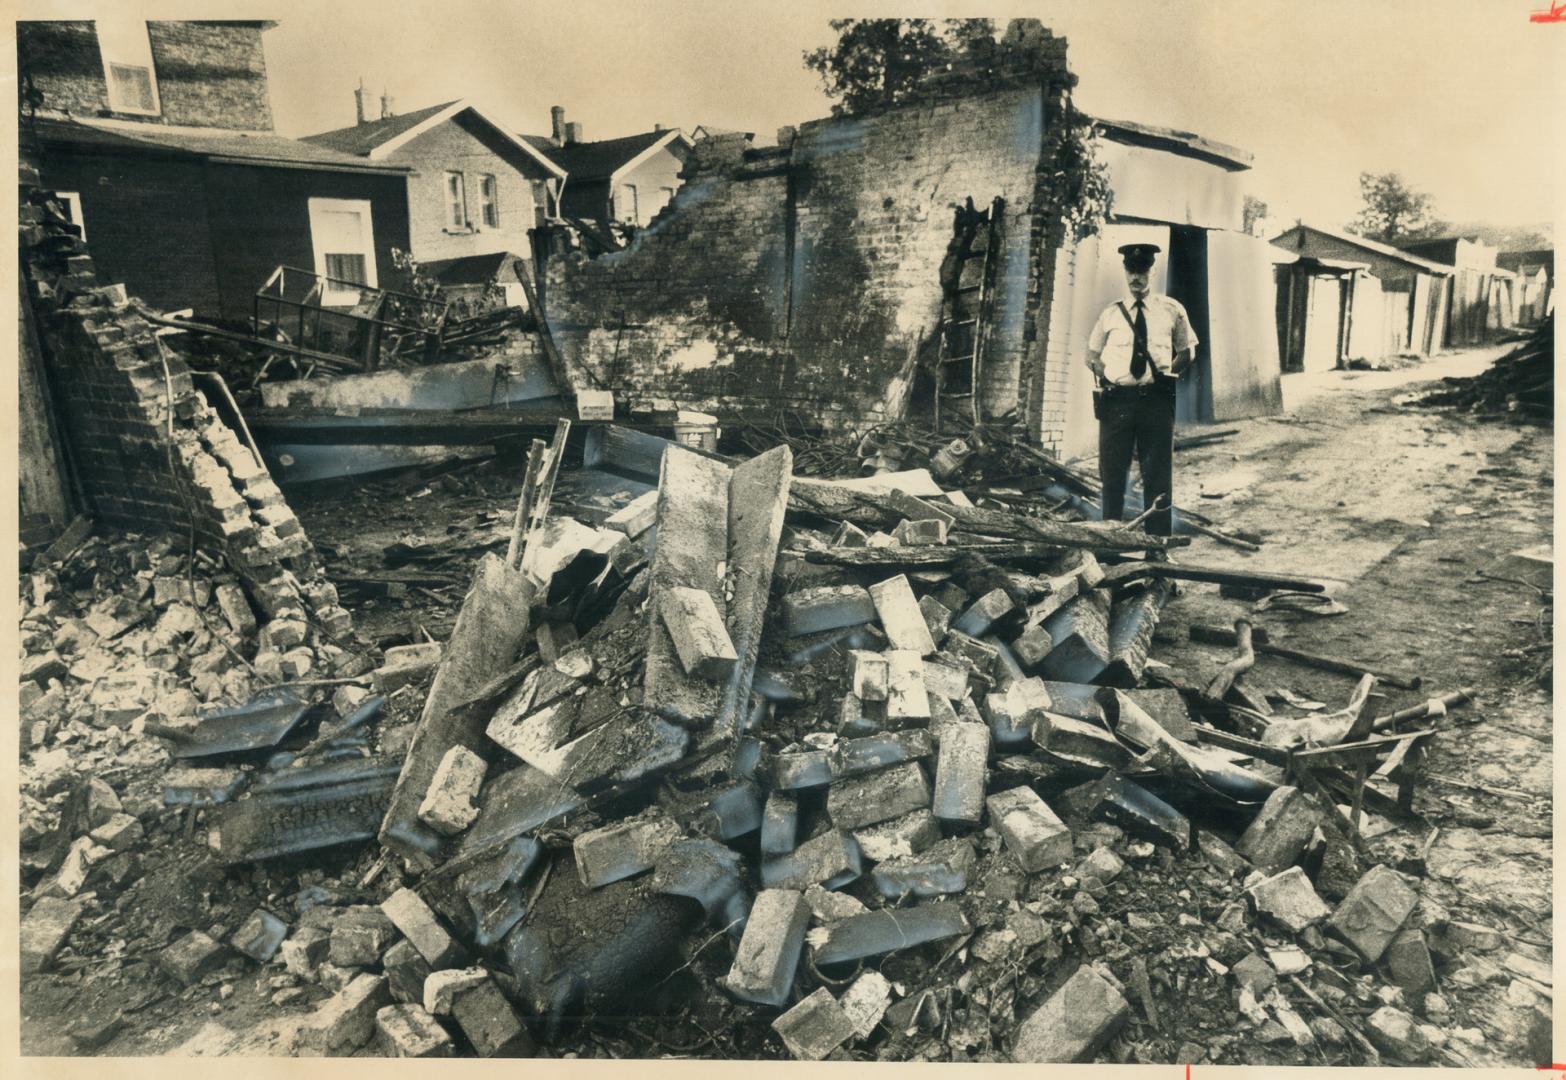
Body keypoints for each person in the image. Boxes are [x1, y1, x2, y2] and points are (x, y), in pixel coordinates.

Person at [1084, 242, 1197, 540]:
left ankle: (1156, 546)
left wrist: (1167, 374)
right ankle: (1111, 544)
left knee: (1158, 475)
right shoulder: (1110, 314)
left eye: (1142, 270)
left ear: (1152, 271)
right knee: (1112, 475)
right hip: (1117, 401)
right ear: (1124, 271)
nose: (1137, 276)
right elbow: (1091, 355)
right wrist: (1106, 377)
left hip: (1155, 402)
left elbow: (1187, 352)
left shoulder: (1171, 310)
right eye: (1131, 270)